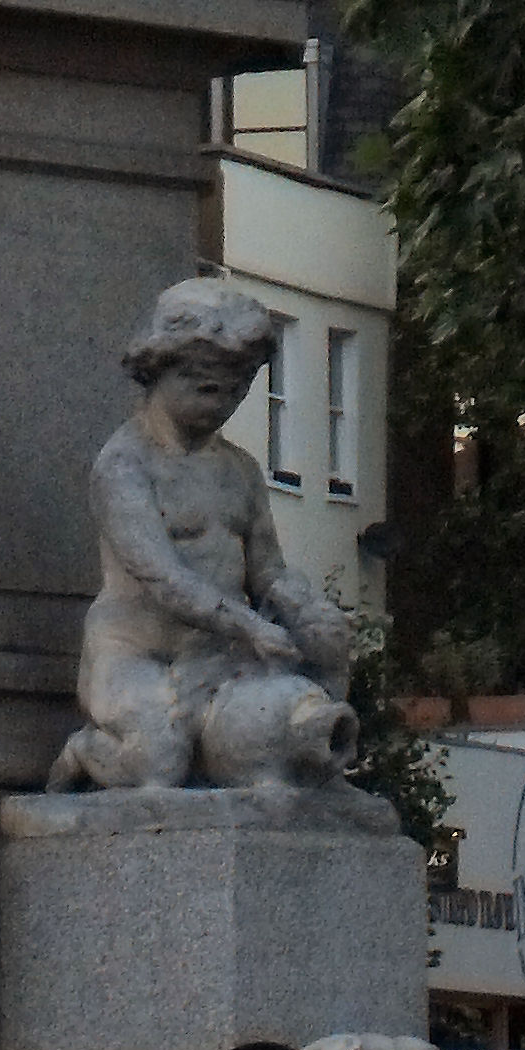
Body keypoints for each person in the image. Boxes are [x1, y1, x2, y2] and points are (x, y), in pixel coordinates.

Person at [49, 279, 366, 797]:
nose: (225, 403)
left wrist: (304, 607)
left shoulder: (239, 469)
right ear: (161, 370)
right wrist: (249, 624)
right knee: (159, 763)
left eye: (239, 390)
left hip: (221, 661)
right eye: (208, 387)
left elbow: (266, 569)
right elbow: (161, 575)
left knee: (281, 742)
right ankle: (88, 752)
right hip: (137, 656)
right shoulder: (125, 464)